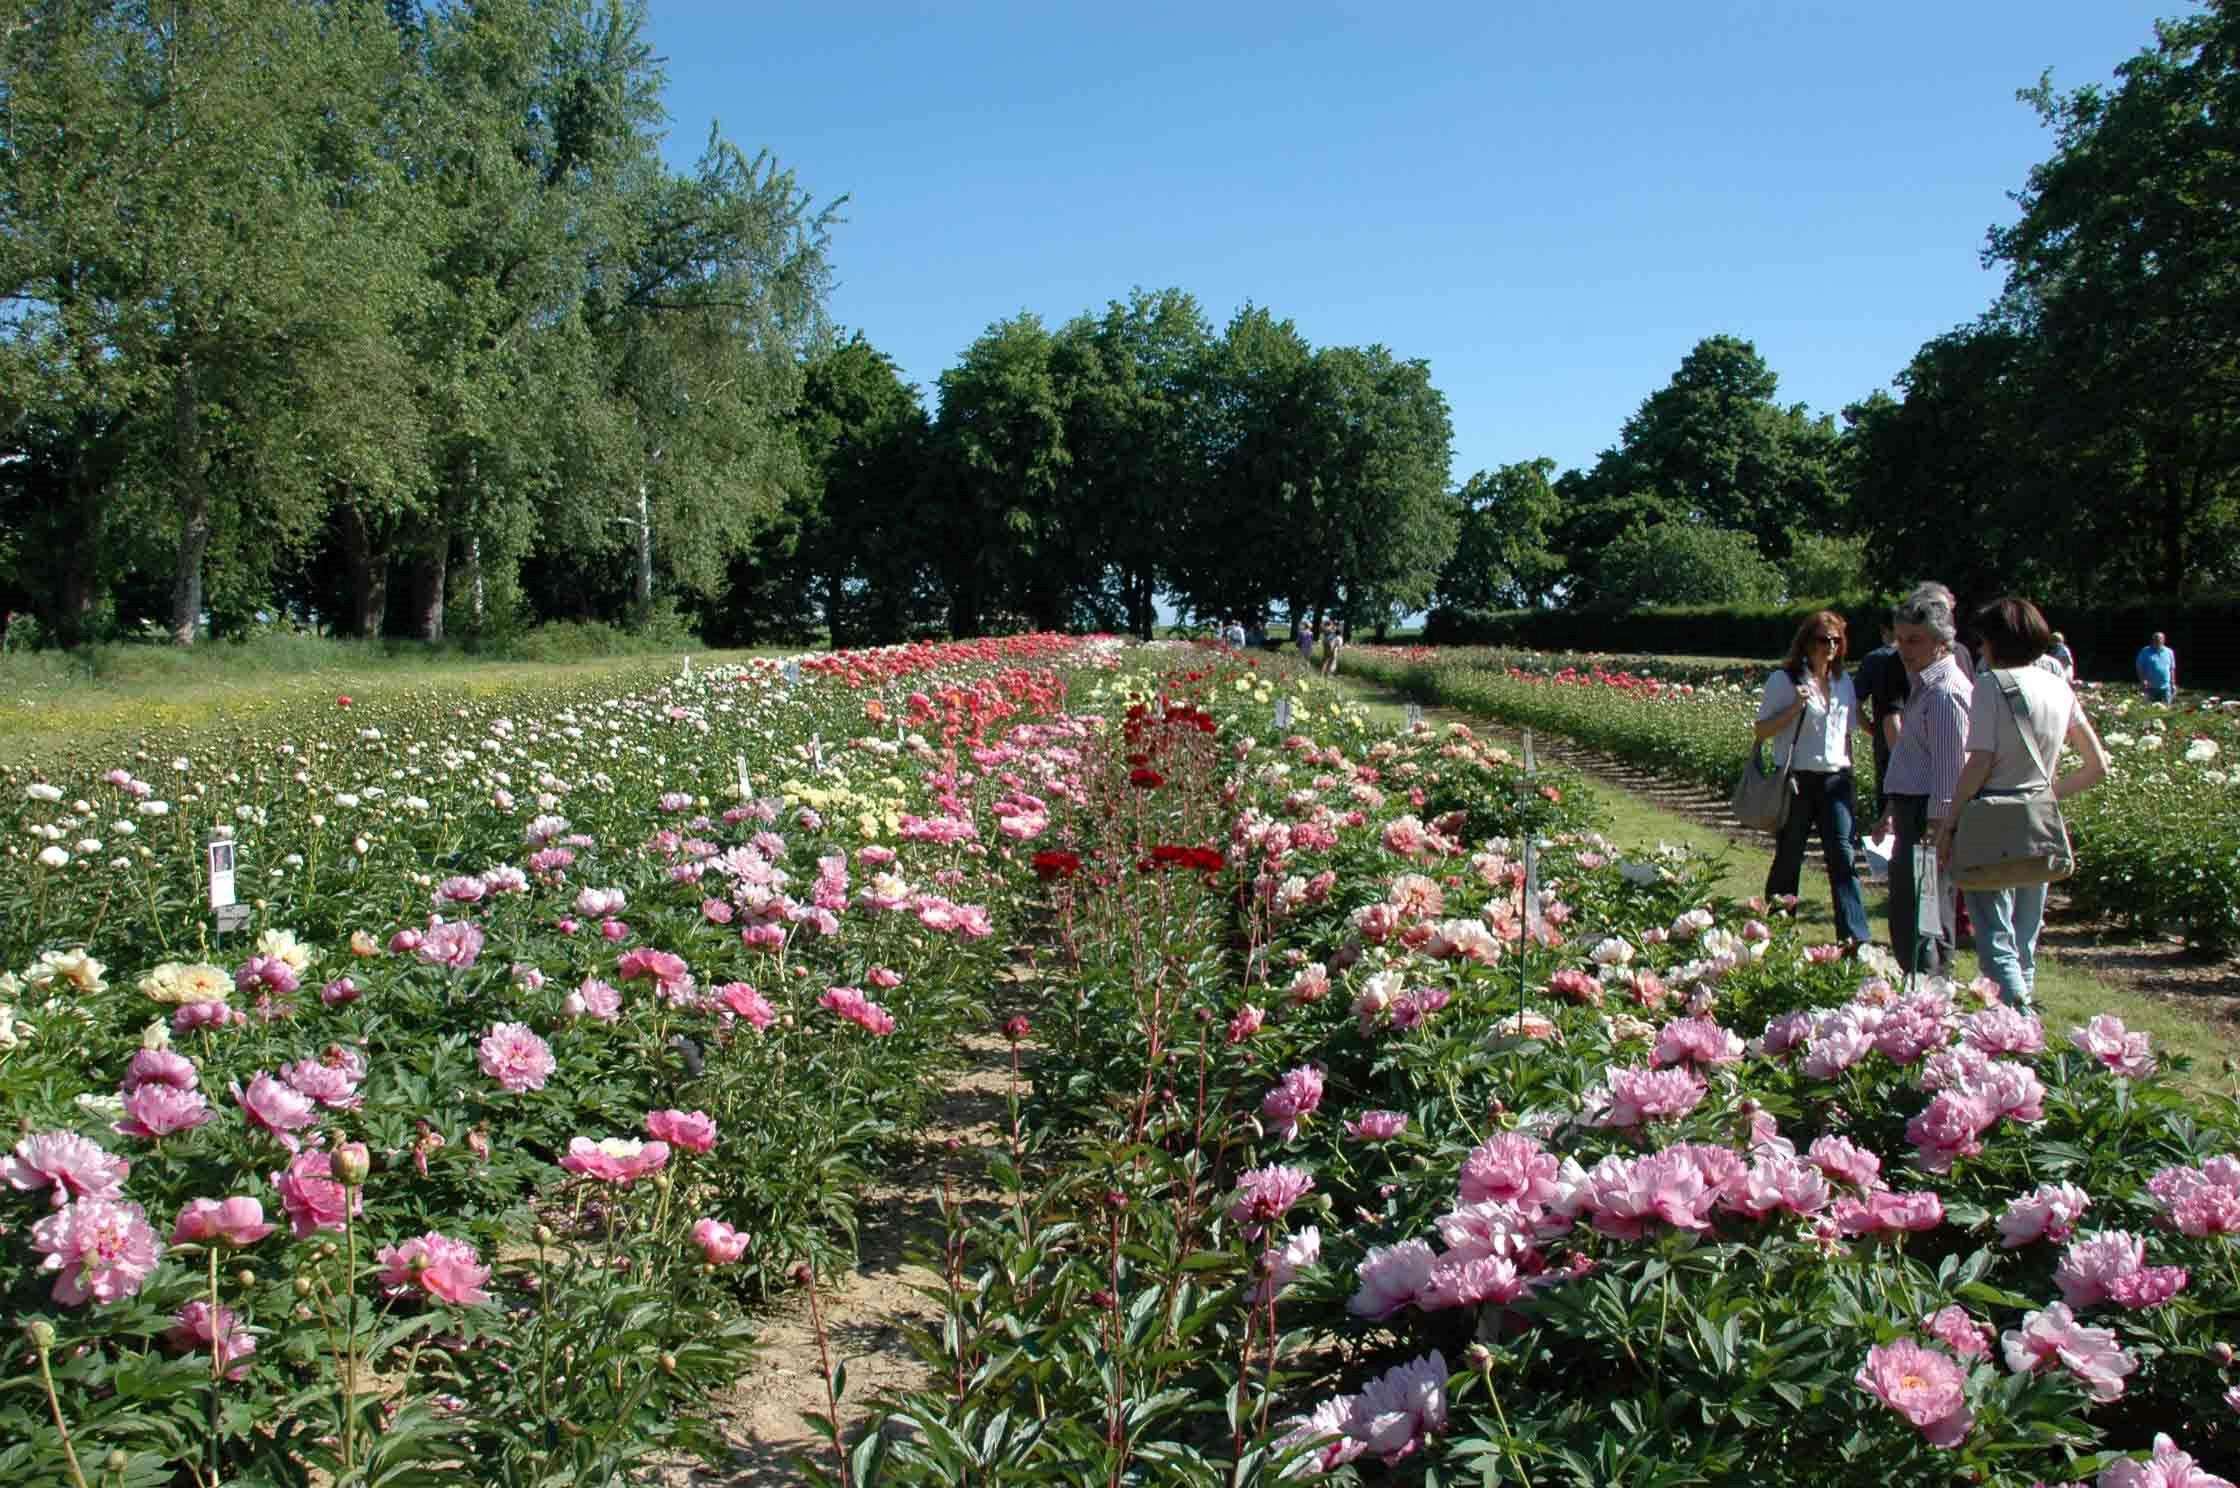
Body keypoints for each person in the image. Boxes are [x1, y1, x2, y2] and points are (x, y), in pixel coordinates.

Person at [1935, 598, 2110, 1009]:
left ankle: (2017, 1026)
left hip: (1990, 816)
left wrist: (1950, 821)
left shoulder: (1992, 685)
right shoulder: (2059, 685)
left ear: (1996, 641)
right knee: (2025, 938)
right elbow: (2096, 766)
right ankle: (2022, 1023)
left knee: (1995, 938)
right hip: (2039, 817)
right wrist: (2047, 795)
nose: (1979, 651)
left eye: (1982, 642)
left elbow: (1979, 761)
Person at [1753, 611, 1872, 946]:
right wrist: (1794, 707)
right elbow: (1761, 730)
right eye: (1823, 640)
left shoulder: (1842, 682)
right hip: (1797, 780)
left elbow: (1851, 725)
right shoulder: (1784, 680)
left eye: (1836, 640)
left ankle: (1854, 938)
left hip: (1835, 780)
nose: (1830, 647)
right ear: (1806, 643)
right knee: (1790, 857)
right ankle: (1777, 933)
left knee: (1843, 858)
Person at [1877, 590, 1974, 977]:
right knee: (1919, 912)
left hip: (1927, 819)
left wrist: (1937, 832)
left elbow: (1949, 772)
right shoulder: (1924, 685)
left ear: (1941, 640)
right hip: (1913, 813)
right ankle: (1927, 990)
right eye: (1900, 640)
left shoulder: (1946, 692)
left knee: (1920, 915)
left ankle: (1929, 994)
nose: (1904, 649)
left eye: (1914, 640)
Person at [1851, 619, 1908, 858]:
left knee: (1887, 799)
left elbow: (1854, 703)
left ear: (1884, 630)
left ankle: (1887, 860)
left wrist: (1872, 729)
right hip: (1917, 739)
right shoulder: (1922, 657)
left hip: (1886, 740)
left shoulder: (1875, 659)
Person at [2135, 631, 2177, 703]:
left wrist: (2173, 683)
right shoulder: (2145, 651)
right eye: (2156, 639)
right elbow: (2139, 667)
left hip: (2166, 687)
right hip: (2150, 687)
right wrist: (2142, 680)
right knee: (2150, 710)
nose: (2158, 641)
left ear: (2164, 640)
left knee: (2166, 709)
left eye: (2160, 639)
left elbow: (2172, 668)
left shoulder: (2169, 652)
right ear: (2152, 640)